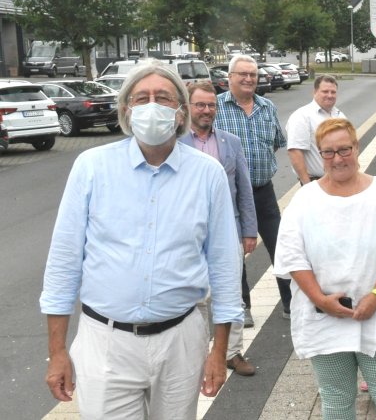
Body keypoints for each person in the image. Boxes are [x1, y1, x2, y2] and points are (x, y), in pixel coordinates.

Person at [40, 60, 243, 418]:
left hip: (180, 339)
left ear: (181, 113)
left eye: (163, 98)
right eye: (141, 97)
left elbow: (225, 265)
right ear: (125, 111)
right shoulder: (91, 167)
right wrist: (57, 351)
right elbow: (63, 262)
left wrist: (219, 351)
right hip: (105, 342)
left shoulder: (207, 174)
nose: (152, 105)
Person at [273, 118, 376, 419]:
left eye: (344, 149)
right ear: (320, 154)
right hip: (325, 319)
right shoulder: (305, 200)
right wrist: (319, 299)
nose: (338, 158)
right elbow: (292, 257)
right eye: (328, 152)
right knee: (337, 400)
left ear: (356, 147)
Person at [181, 81, 258, 376]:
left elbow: (244, 191)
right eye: (200, 105)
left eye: (211, 105)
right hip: (189, 235)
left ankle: (232, 353)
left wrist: (249, 230)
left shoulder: (230, 142)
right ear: (188, 108)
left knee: (232, 295)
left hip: (228, 233)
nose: (206, 110)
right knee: (196, 297)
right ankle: (199, 354)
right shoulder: (176, 144)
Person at [214, 54, 291, 318]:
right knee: (235, 251)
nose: (248, 79)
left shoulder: (267, 107)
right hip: (230, 195)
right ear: (230, 77)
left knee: (280, 246)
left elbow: (278, 140)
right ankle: (242, 306)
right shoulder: (217, 107)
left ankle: (291, 304)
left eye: (253, 75)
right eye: (242, 74)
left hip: (263, 190)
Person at [287, 75, 346, 185]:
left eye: (333, 92)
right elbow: (295, 152)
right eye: (325, 91)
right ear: (315, 92)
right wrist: (307, 185)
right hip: (317, 182)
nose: (329, 95)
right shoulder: (302, 116)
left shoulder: (340, 115)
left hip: (340, 181)